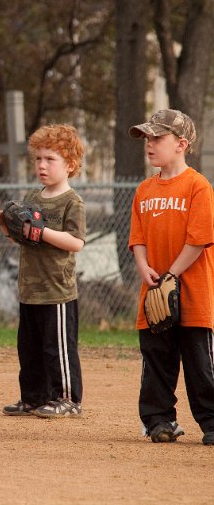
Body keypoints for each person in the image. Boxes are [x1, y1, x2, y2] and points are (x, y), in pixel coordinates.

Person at [127, 109, 214, 446]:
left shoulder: (197, 186)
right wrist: (144, 267)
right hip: (153, 293)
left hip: (192, 292)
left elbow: (198, 239)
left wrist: (170, 275)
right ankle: (159, 420)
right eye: (147, 138)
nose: (149, 144)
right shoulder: (144, 190)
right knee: (156, 360)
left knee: (200, 363)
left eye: (157, 138)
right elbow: (138, 238)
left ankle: (210, 421)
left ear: (181, 143)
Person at [0, 125, 86, 419]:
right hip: (30, 290)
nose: (42, 165)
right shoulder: (32, 196)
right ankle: (33, 398)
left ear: (70, 165)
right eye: (38, 159)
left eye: (50, 159)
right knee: (29, 349)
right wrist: (6, 227)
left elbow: (76, 242)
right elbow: (23, 238)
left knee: (56, 349)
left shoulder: (72, 201)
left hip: (56, 290)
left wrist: (42, 231)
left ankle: (68, 398)